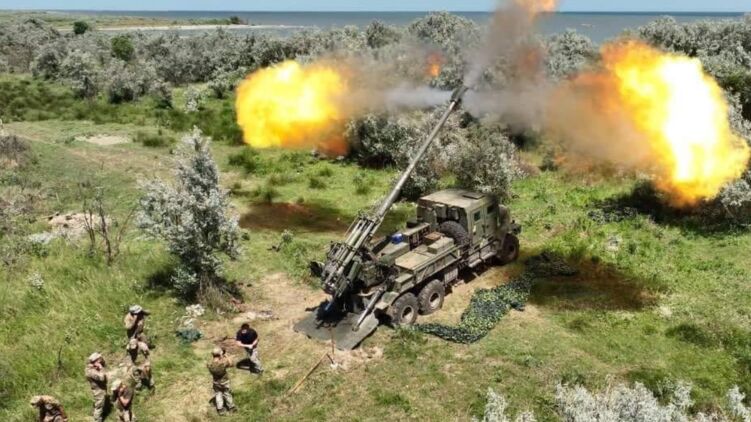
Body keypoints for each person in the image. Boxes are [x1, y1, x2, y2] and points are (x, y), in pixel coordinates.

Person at [207, 347, 237, 415]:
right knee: (227, 394)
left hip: (216, 382)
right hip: (225, 382)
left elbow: (213, 361)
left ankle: (220, 409)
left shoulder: (209, 364)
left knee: (218, 394)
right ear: (220, 354)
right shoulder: (223, 363)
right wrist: (226, 356)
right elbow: (232, 364)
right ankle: (231, 407)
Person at [84, 353, 108, 422]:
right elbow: (102, 378)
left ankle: (96, 415)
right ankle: (97, 419)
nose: (101, 360)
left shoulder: (91, 368)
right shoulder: (91, 371)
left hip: (99, 389)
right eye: (99, 359)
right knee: (99, 407)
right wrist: (101, 368)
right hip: (99, 392)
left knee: (98, 404)